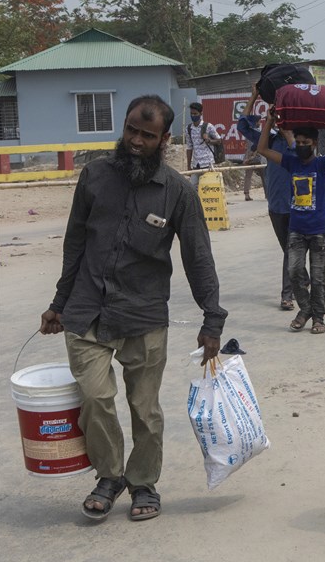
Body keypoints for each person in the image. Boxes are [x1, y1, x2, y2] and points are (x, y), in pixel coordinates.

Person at [39, 95, 227, 522]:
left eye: (147, 135)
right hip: (87, 309)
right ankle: (109, 476)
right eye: (131, 131)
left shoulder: (178, 191)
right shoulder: (94, 176)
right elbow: (74, 244)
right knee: (95, 397)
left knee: (145, 408)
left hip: (143, 315)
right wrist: (58, 303)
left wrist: (212, 318)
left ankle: (143, 481)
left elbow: (198, 257)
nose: (136, 141)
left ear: (164, 139)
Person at [258, 103, 325, 333]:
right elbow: (263, 150)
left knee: (318, 278)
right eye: (298, 143)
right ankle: (305, 309)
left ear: (314, 144)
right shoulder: (291, 162)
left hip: (319, 230)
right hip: (296, 229)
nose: (300, 147)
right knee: (294, 271)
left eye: (305, 144)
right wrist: (269, 121)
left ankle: (318, 317)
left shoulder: (321, 164)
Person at [238, 85, 296, 310]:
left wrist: (288, 133)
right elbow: (243, 126)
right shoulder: (269, 141)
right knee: (289, 250)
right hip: (276, 204)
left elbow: (301, 157)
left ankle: (287, 295)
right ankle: (301, 278)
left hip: (298, 205)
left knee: (291, 249)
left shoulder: (301, 141)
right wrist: (254, 96)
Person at [185, 101, 221, 188]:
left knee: (208, 188)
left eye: (195, 113)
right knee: (193, 187)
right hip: (196, 164)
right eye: (191, 114)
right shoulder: (189, 128)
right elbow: (189, 147)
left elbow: (219, 140)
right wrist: (189, 165)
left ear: (201, 113)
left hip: (208, 163)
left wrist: (209, 140)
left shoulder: (208, 126)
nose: (193, 116)